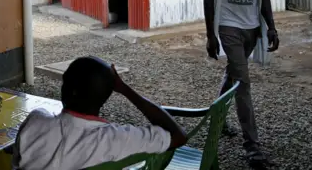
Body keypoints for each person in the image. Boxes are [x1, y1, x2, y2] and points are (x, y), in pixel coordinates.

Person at [194, 0, 281, 168]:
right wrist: (211, 34)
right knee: (243, 83)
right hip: (228, 27)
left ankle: (216, 121)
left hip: (251, 27)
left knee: (233, 74)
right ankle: (252, 148)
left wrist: (271, 26)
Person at [12, 56, 188, 169]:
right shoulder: (118, 139)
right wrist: (125, 89)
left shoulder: (35, 122)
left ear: (71, 91)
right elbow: (178, 136)